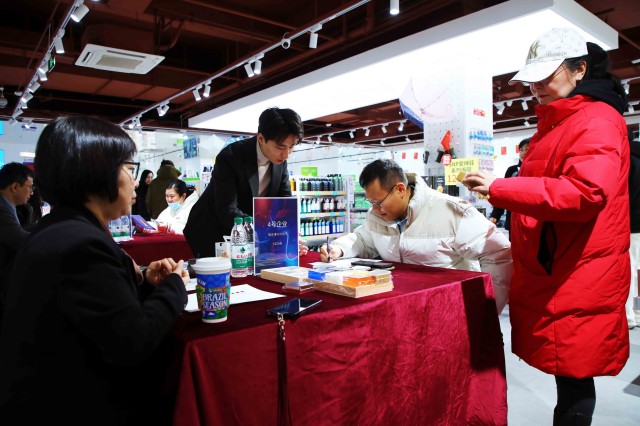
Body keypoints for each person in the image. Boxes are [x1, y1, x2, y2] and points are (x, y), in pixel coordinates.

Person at [463, 28, 629, 425]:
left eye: (545, 76)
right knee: (569, 373)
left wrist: (501, 188)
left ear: (579, 70)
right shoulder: (561, 121)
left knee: (574, 375)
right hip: (561, 266)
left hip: (578, 269)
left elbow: (586, 192)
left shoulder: (595, 120)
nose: (536, 87)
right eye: (531, 79)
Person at [0, 116, 189, 424]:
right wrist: (174, 287)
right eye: (129, 169)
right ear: (99, 172)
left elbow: (97, 310)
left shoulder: (59, 228)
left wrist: (143, 280)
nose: (134, 182)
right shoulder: (81, 244)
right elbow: (133, 341)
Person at [321, 158, 512, 313]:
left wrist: (485, 310)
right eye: (371, 203)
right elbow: (364, 239)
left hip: (450, 310)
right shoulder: (377, 216)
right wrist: (339, 248)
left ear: (400, 189)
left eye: (378, 202)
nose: (375, 210)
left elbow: (499, 254)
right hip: (401, 308)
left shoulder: (451, 210)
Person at [185, 107, 303, 257]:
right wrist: (264, 231)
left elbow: (284, 200)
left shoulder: (280, 160)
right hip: (211, 229)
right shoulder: (230, 157)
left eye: (291, 147)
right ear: (261, 139)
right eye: (280, 147)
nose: (286, 154)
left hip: (248, 231)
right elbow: (227, 208)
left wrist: (289, 234)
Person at [0, 162, 33, 320]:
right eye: (29, 187)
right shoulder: (2, 208)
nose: (31, 193)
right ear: (14, 187)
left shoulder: (8, 206)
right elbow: (20, 240)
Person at [488, 138, 530, 234]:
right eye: (521, 150)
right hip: (513, 220)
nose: (523, 153)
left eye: (527, 149)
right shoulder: (512, 170)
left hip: (532, 221)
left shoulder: (537, 170)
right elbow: (503, 194)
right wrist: (495, 215)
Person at [627, 134, 640, 329]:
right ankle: (636, 313)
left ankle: (629, 316)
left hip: (631, 223)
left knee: (629, 270)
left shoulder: (627, 159)